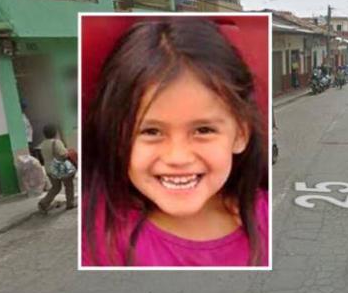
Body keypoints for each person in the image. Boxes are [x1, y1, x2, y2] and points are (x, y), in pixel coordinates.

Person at [82, 18, 268, 267]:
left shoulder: (267, 218)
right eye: (151, 131)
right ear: (115, 136)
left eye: (203, 130)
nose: (178, 157)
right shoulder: (98, 239)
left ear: (241, 134)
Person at [37, 123, 76, 212]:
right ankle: (70, 203)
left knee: (56, 187)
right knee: (68, 185)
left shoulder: (43, 144)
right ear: (55, 132)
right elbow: (63, 155)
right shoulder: (56, 142)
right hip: (59, 168)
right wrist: (69, 152)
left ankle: (43, 203)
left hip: (49, 169)